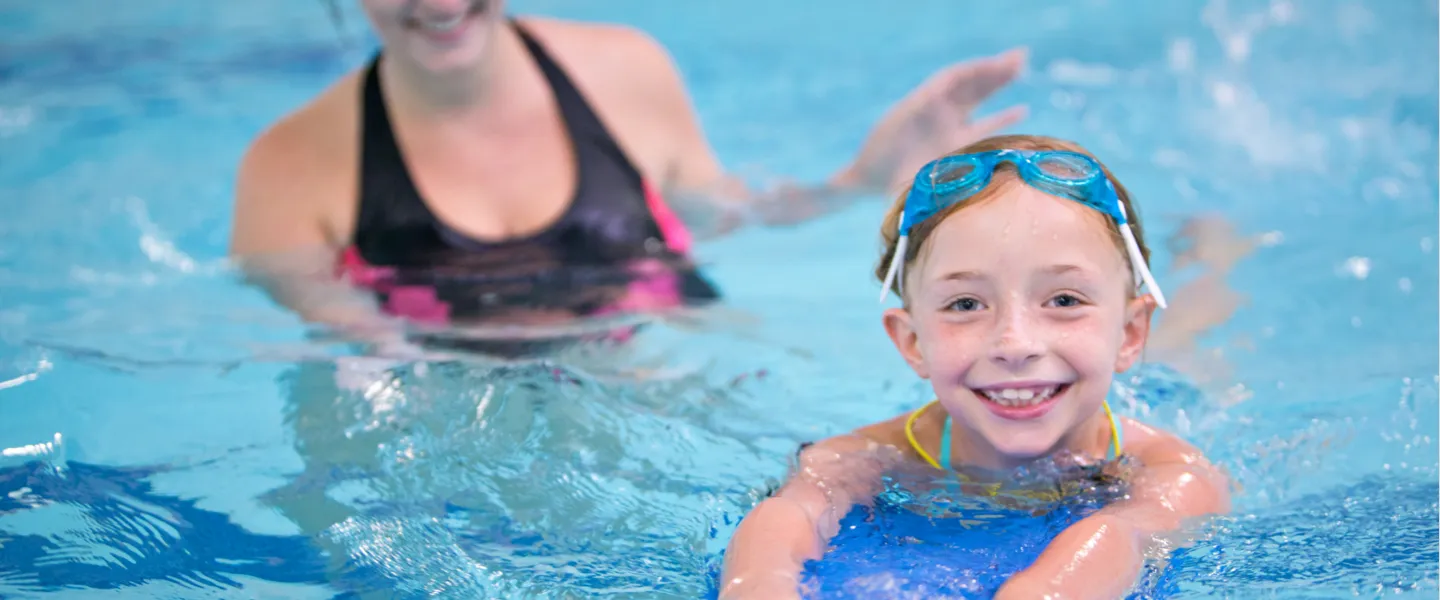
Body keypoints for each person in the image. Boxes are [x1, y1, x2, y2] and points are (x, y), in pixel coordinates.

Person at [227, 0, 1029, 355]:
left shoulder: (625, 73)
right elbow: (360, 362)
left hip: (660, 380)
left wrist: (857, 182)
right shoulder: (289, 167)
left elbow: (722, 215)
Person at [717, 134, 1231, 599]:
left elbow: (1125, 533)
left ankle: (1212, 255)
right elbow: (791, 512)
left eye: (1065, 299)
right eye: (965, 304)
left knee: (1189, 344)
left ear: (1130, 334)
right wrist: (759, 584)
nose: (1015, 344)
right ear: (912, 341)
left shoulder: (1172, 473)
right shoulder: (866, 458)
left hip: (1170, 388)